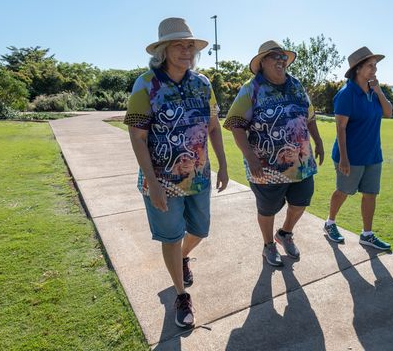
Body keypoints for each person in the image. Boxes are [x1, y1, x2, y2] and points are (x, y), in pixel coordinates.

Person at [124, 17, 228, 329]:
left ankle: (183, 257)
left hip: (198, 177)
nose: (186, 51)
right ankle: (181, 294)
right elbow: (138, 137)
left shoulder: (202, 84)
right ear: (164, 50)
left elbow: (213, 127)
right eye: (179, 45)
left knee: (200, 229)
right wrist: (153, 184)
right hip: (162, 181)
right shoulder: (146, 84)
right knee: (170, 236)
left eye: (190, 46)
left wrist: (223, 164)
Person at [224, 40, 324, 267]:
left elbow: (309, 115)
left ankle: (285, 234)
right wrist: (251, 158)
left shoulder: (296, 84)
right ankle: (268, 244)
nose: (281, 60)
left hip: (302, 162)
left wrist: (317, 140)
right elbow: (236, 124)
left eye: (283, 57)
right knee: (267, 209)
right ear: (262, 63)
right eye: (274, 56)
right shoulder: (252, 88)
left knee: (301, 202)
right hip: (266, 165)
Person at [323, 47, 393, 250]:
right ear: (358, 69)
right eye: (370, 66)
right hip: (350, 156)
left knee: (370, 194)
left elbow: (388, 113)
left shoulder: (373, 92)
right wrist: (344, 158)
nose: (375, 70)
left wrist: (379, 90)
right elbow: (340, 127)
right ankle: (330, 223)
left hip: (373, 155)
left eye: (375, 66)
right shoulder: (346, 94)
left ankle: (367, 234)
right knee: (343, 191)